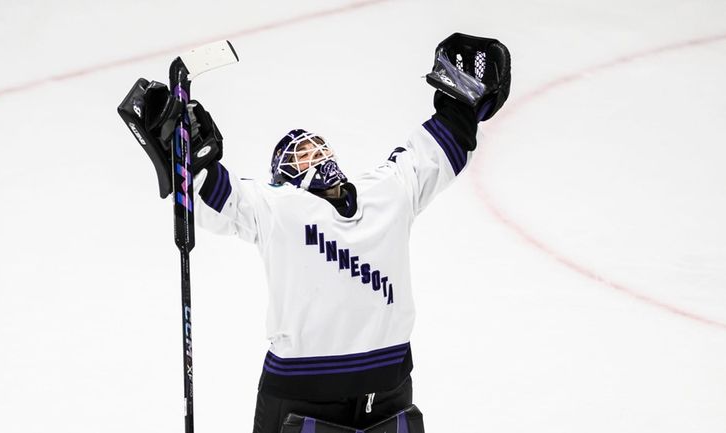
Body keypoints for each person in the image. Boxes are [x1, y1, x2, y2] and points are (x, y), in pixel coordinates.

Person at [122, 33, 511, 433]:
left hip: (372, 389)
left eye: (316, 148)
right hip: (319, 392)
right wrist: (185, 154)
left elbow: (436, 151)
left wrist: (463, 98)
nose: (314, 155)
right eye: (300, 156)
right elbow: (221, 198)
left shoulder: (387, 190)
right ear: (284, 178)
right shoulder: (278, 206)